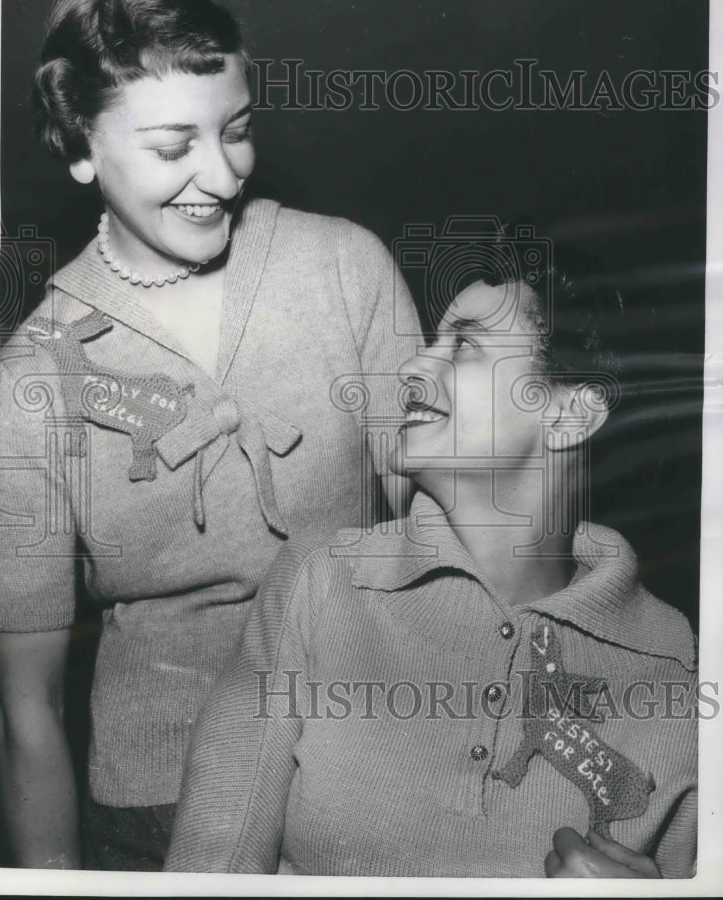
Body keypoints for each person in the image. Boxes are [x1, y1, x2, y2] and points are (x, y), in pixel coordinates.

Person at [0, 0, 421, 871]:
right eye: (171, 147)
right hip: (157, 804)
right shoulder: (35, 373)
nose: (222, 177)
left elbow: (449, 555)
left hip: (363, 767)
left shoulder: (343, 269)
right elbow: (24, 703)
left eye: (236, 131)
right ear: (78, 146)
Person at [166, 239, 697, 878]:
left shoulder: (679, 668)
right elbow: (209, 871)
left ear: (568, 413)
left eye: (465, 344)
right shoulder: (321, 583)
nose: (414, 366)